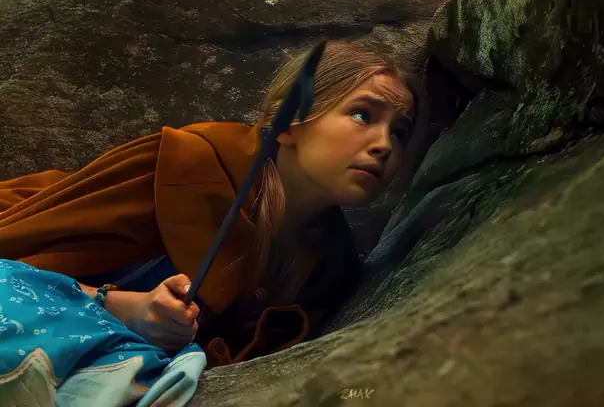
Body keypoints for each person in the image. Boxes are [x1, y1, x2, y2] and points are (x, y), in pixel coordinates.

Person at [0, 40, 419, 368]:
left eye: (400, 132)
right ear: (288, 125)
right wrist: (118, 306)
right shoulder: (186, 166)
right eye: (363, 115)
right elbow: (12, 261)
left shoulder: (332, 269)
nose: (384, 145)